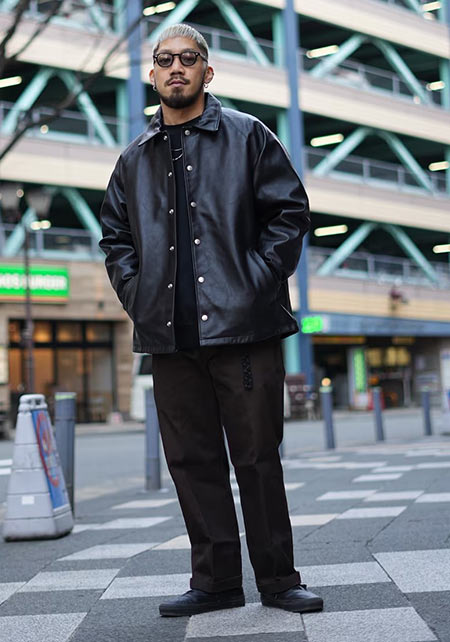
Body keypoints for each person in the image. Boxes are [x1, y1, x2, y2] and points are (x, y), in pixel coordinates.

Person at [99, 23, 323, 618]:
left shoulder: (248, 136)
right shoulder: (133, 158)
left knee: (257, 458)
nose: (176, 68)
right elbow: (116, 239)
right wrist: (138, 296)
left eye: (188, 58)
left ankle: (279, 580)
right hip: (168, 338)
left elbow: (290, 213)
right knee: (192, 463)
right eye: (165, 59)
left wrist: (256, 281)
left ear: (207, 70)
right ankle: (217, 582)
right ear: (152, 73)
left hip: (244, 329)